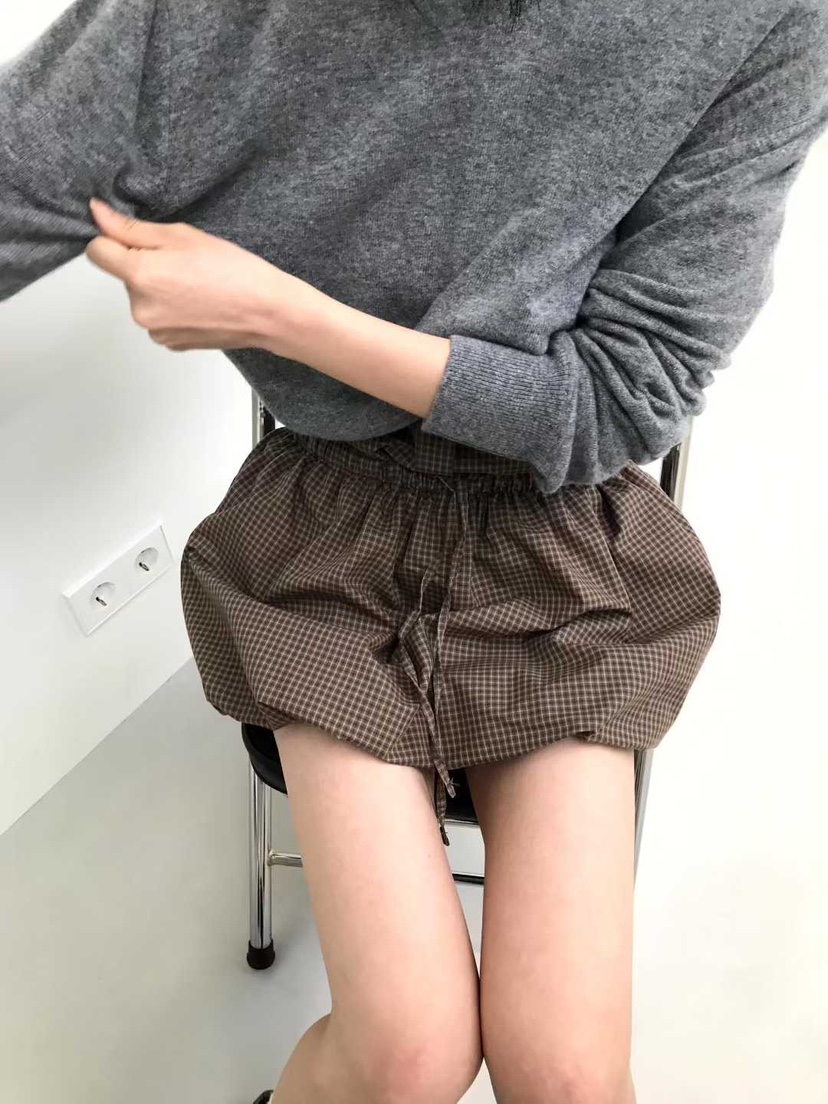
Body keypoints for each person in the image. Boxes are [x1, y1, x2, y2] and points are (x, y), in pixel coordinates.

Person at [2, 0, 826, 1101]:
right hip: (322, 532)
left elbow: (621, 401)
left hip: (556, 541)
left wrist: (282, 315)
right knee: (408, 1054)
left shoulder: (760, 21)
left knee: (571, 1076)